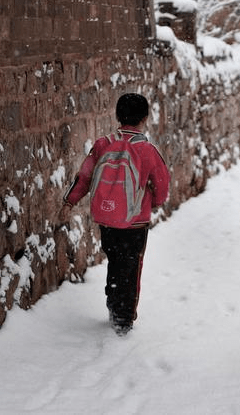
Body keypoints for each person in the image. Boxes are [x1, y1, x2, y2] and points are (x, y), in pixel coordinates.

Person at [59, 93, 170, 336]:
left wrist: (70, 200)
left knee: (115, 260)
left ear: (118, 116)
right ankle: (124, 317)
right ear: (144, 118)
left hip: (107, 218)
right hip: (135, 221)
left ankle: (113, 301)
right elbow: (161, 183)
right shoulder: (147, 150)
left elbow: (85, 175)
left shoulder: (103, 144)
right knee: (132, 266)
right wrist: (156, 201)